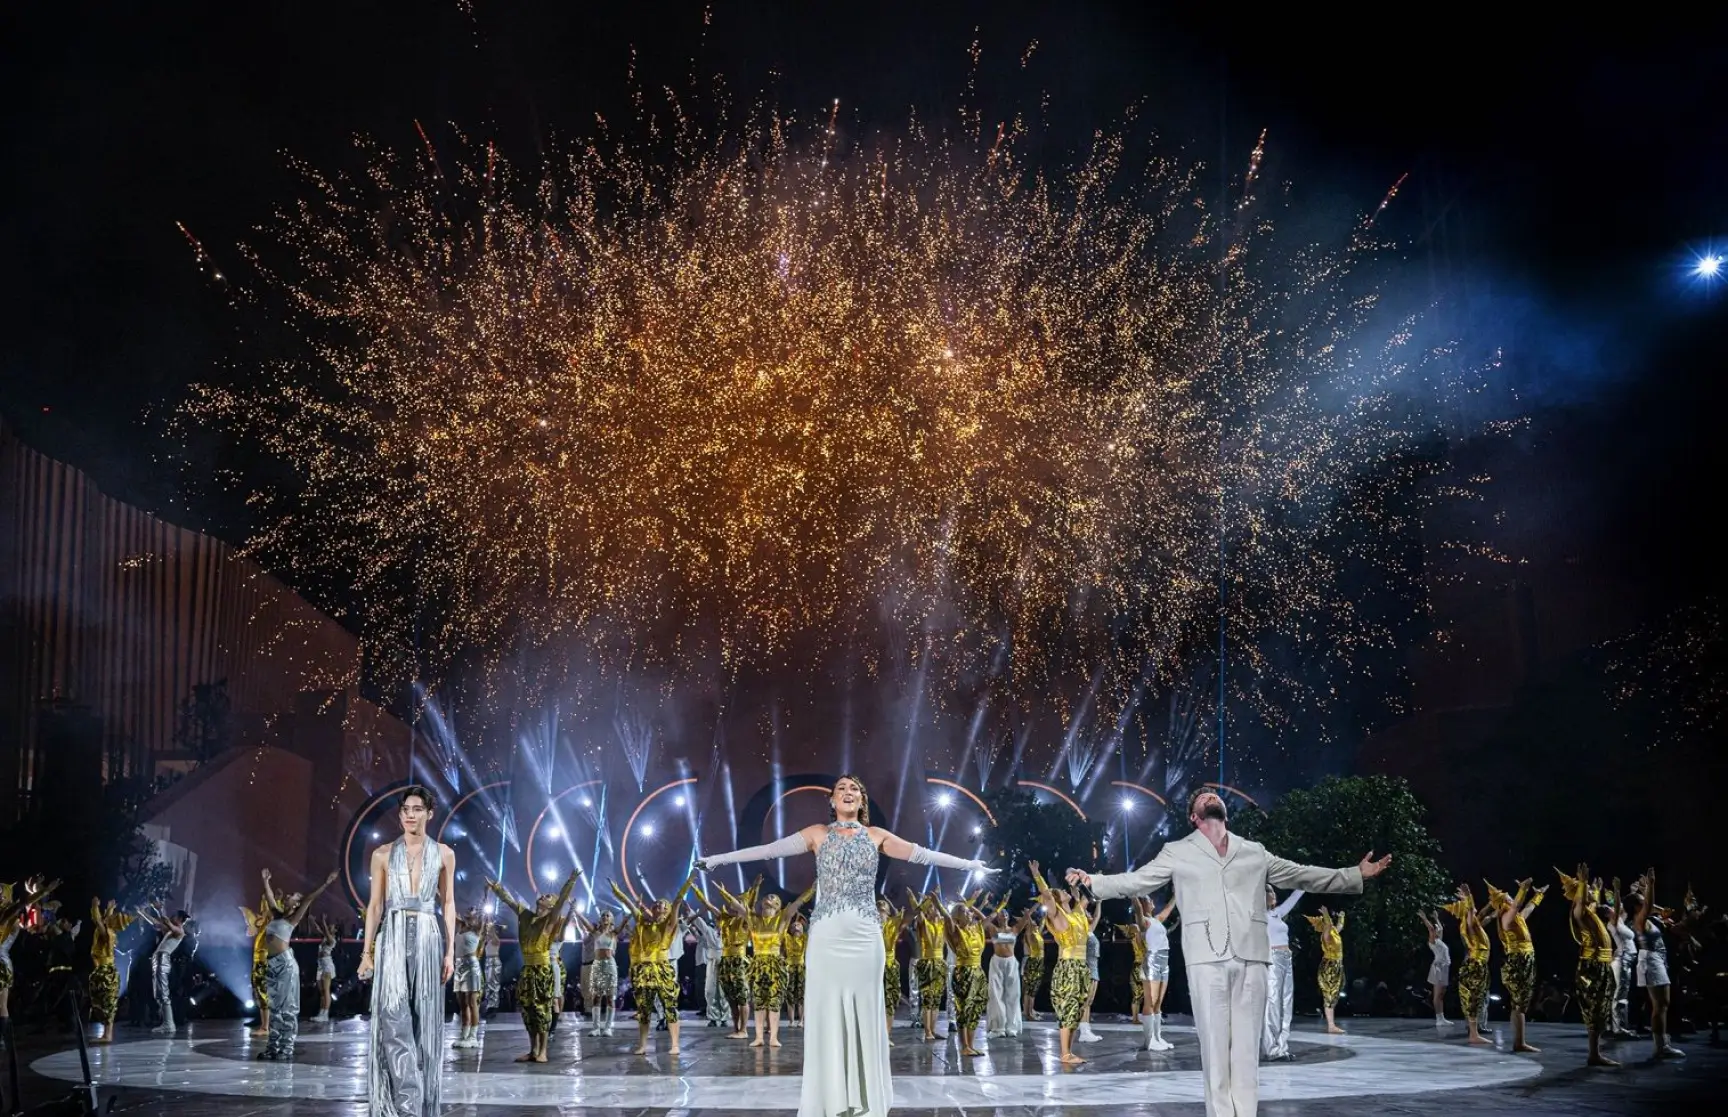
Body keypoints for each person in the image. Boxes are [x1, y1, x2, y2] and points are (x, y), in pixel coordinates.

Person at [1066, 789, 1388, 1117]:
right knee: (1216, 1049)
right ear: (1194, 816)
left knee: (1246, 1051)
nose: (1211, 797)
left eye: (1214, 796)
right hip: (1205, 957)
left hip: (1252, 955)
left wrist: (1354, 874)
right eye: (1203, 798)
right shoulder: (1178, 851)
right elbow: (1137, 881)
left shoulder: (1253, 851)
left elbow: (1300, 874)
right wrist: (1094, 881)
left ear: (1224, 811)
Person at [696, 773, 991, 1117]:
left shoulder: (877, 836)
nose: (848, 792)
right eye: (841, 788)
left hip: (865, 937)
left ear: (862, 801)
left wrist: (969, 864)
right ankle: (830, 1098)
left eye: (855, 789)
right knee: (828, 1013)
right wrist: (718, 859)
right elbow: (768, 850)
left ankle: (865, 1099)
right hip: (826, 937)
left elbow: (922, 855)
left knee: (865, 1009)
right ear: (832, 800)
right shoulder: (817, 834)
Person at [358, 786, 457, 1117]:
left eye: (417, 809)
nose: (410, 815)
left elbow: (448, 903)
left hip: (428, 935)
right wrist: (367, 953)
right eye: (405, 809)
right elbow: (375, 906)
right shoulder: (383, 854)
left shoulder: (444, 854)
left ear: (429, 813)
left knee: (425, 1025)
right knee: (393, 1018)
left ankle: (421, 1106)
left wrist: (450, 952)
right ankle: (406, 1107)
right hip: (393, 934)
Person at [486, 869, 579, 1062]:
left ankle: (543, 1050)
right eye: (543, 895)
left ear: (551, 906)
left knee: (542, 1010)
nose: (542, 896)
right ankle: (533, 1050)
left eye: (547, 897)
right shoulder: (526, 916)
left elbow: (561, 901)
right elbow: (510, 902)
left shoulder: (550, 920)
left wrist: (570, 882)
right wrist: (496, 888)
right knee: (528, 1010)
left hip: (542, 970)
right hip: (528, 970)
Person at [259, 865, 341, 1060]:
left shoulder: (293, 918)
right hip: (272, 963)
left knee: (287, 1007)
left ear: (296, 904)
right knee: (274, 1007)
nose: (289, 896)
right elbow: (270, 898)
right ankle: (273, 1047)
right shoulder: (277, 914)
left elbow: (309, 898)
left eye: (293, 896)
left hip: (285, 964)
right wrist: (265, 881)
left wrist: (326, 883)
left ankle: (286, 1048)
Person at [609, 875, 694, 1055]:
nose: (657, 905)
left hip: (662, 968)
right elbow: (631, 906)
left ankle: (675, 1044)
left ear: (667, 910)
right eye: (655, 904)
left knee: (670, 1006)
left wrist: (688, 882)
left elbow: (677, 902)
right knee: (644, 1009)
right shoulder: (643, 924)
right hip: (644, 970)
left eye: (662, 904)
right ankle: (642, 1045)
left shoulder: (669, 925)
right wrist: (617, 892)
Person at [1030, 863, 1092, 1066]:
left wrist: (1079, 877)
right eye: (1060, 892)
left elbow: (1087, 897)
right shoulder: (1057, 915)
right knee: (1068, 1009)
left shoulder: (1076, 913)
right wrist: (1037, 876)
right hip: (1068, 967)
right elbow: (1047, 896)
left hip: (1081, 966)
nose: (1064, 892)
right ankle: (1065, 1053)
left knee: (1077, 1011)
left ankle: (1069, 1051)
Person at [1558, 864, 1617, 1067]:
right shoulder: (1578, 911)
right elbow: (1583, 903)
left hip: (1602, 963)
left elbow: (1590, 903)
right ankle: (1594, 1054)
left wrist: (1596, 891)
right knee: (1595, 1009)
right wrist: (1582, 882)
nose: (1591, 892)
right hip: (1592, 966)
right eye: (1588, 890)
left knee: (1601, 1008)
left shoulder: (1588, 911)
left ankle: (1595, 1053)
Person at [747, 887, 813, 1047]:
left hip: (775, 965)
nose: (767, 907)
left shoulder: (782, 918)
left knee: (774, 1001)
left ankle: (773, 1037)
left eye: (771, 904)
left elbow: (798, 902)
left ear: (777, 906)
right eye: (765, 905)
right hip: (758, 965)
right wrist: (754, 889)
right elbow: (742, 908)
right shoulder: (756, 921)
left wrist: (812, 888)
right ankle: (759, 1037)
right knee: (758, 1002)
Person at [1485, 878, 1545, 1054]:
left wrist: (1538, 896)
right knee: (1519, 1003)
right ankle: (1519, 1042)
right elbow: (1517, 905)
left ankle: (1520, 1041)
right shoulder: (1506, 917)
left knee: (1520, 1004)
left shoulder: (1516, 918)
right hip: (1519, 961)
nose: (1511, 898)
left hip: (1524, 959)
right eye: (1509, 897)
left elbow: (1527, 908)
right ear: (1503, 903)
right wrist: (1523, 889)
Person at [1630, 867, 1683, 1059]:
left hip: (1656, 960)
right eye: (1642, 902)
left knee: (1662, 1004)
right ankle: (1661, 1047)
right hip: (1651, 960)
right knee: (1660, 1005)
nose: (1646, 904)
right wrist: (1651, 885)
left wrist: (1644, 890)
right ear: (1637, 907)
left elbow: (1653, 906)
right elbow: (1649, 904)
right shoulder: (1639, 919)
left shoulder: (1648, 918)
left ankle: (1662, 1044)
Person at [1, 877, 59, 1030]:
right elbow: (24, 906)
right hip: (6, 960)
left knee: (3, 1004)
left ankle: (3, 1037)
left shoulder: (8, 914)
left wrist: (42, 892)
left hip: (2, 962)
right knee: (3, 1004)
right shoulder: (11, 916)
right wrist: (41, 892)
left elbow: (23, 905)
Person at [1441, 884, 1492, 1046]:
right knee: (1475, 999)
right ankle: (1474, 1034)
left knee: (1474, 999)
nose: (1475, 909)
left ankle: (1474, 1033)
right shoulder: (1469, 924)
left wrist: (1469, 899)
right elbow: (1472, 913)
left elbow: (1480, 914)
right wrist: (1468, 897)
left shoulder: (1470, 923)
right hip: (1476, 963)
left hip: (1475, 963)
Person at [1260, 887, 1302, 1058]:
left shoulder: (1276, 913)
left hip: (1286, 958)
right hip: (1272, 958)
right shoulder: (1258, 916)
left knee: (1286, 1002)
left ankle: (1282, 1047)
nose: (1274, 894)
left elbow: (1294, 897)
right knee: (1273, 1002)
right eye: (1269, 892)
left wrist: (1307, 881)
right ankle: (1271, 1048)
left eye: (1273, 892)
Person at [135, 903, 188, 1035]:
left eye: (174, 916)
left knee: (163, 993)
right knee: (158, 993)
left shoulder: (179, 931)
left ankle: (169, 1024)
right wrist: (142, 913)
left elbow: (166, 922)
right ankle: (166, 1022)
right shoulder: (171, 931)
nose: (172, 917)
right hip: (158, 959)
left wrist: (159, 909)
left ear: (179, 919)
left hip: (162, 959)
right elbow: (156, 923)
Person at [88, 897, 135, 1044]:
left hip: (105, 972)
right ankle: (106, 1034)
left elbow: (98, 922)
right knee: (106, 1003)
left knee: (106, 1003)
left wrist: (94, 906)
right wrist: (110, 909)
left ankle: (107, 1035)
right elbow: (103, 921)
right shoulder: (109, 931)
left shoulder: (107, 933)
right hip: (106, 971)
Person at [1139, 894, 1179, 1052]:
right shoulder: (1143, 921)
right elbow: (1136, 907)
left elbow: (1168, 908)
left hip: (1164, 960)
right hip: (1152, 961)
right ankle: (1149, 1041)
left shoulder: (1156, 919)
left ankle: (1157, 1037)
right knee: (1151, 1001)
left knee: (1158, 1003)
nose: (1152, 901)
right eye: (1148, 900)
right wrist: (1134, 894)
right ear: (1143, 904)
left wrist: (1175, 894)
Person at [909, 890, 950, 1040]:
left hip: (940, 962)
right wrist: (919, 899)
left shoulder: (942, 924)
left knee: (936, 999)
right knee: (928, 998)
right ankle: (927, 1032)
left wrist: (936, 900)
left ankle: (933, 1029)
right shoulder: (923, 922)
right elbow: (918, 911)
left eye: (936, 907)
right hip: (927, 962)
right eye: (932, 907)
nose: (936, 909)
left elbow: (947, 915)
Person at [1304, 907, 1347, 1034]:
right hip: (1329, 967)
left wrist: (1342, 916)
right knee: (1329, 995)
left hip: (1337, 965)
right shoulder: (1326, 935)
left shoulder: (1333, 932)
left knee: (1335, 994)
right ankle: (1331, 1026)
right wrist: (1326, 914)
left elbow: (1339, 926)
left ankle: (1331, 1025)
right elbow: (1328, 924)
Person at [984, 902, 1022, 1039]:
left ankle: (1011, 1027)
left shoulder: (1014, 929)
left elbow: (1027, 919)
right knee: (995, 994)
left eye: (1005, 913)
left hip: (1011, 962)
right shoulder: (993, 929)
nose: (1004, 914)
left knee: (1013, 994)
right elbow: (984, 921)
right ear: (998, 917)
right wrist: (996, 908)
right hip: (997, 962)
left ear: (1008, 917)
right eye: (1001, 913)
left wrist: (1031, 911)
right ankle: (998, 1028)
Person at [450, 908, 485, 1049]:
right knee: (462, 1003)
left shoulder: (477, 928)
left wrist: (486, 895)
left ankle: (473, 1036)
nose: (469, 911)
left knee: (472, 1001)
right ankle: (464, 1034)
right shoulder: (461, 926)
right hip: (459, 965)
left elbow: (484, 914)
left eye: (473, 911)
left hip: (471, 965)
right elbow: (451, 910)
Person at [878, 896, 909, 1041]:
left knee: (889, 1002)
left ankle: (886, 1036)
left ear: (887, 913)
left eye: (883, 911)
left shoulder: (892, 925)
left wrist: (889, 901)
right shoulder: (870, 927)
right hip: (875, 967)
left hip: (890, 966)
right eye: (878, 911)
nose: (880, 914)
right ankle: (876, 1036)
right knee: (875, 1002)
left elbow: (899, 916)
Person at [689, 910, 727, 1027]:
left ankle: (724, 1018)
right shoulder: (709, 931)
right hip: (711, 962)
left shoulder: (729, 932)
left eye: (721, 920)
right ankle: (713, 1018)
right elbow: (700, 923)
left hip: (725, 962)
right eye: (718, 920)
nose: (719, 922)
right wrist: (691, 912)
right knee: (710, 991)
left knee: (723, 991)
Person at [1077, 895, 1104, 1043]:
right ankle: (1083, 1031)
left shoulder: (1090, 930)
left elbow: (1097, 916)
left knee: (1089, 1001)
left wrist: (1099, 902)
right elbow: (1080, 911)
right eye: (1086, 913)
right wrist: (1081, 899)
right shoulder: (1081, 932)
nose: (1089, 914)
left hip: (1094, 967)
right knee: (1085, 1000)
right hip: (1087, 968)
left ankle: (1086, 1029)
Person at [1416, 908, 1451, 1026]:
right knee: (1437, 994)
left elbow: (1440, 928)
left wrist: (1436, 918)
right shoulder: (1432, 941)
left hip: (1444, 967)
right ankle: (1438, 1019)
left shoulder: (1439, 941)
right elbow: (1431, 928)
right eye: (1435, 929)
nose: (1437, 930)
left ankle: (1442, 1017)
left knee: (1441, 994)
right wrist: (1425, 918)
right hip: (1438, 967)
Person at [1018, 903, 1046, 1022]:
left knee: (1033, 989)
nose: (1035, 923)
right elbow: (1029, 922)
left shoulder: (1037, 933)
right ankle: (1028, 1013)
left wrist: (1045, 915)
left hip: (1039, 961)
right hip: (1033, 961)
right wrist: (1028, 914)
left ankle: (1030, 1012)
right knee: (1029, 989)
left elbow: (1043, 923)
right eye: (1033, 922)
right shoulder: (1029, 933)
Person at [311, 915, 341, 1022]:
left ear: (335, 930)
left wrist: (323, 920)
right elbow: (319, 929)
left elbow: (324, 929)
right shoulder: (325, 936)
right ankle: (321, 1013)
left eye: (332, 926)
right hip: (320, 965)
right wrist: (313, 921)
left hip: (327, 965)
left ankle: (325, 1014)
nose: (329, 926)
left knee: (326, 990)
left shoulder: (331, 939)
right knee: (322, 992)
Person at [785, 915, 809, 1029]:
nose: (796, 927)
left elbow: (810, 931)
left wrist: (803, 922)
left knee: (801, 995)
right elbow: (783, 928)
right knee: (789, 995)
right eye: (794, 925)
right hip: (790, 967)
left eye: (798, 925)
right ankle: (791, 1021)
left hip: (801, 967)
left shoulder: (804, 938)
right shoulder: (787, 938)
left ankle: (801, 1020)